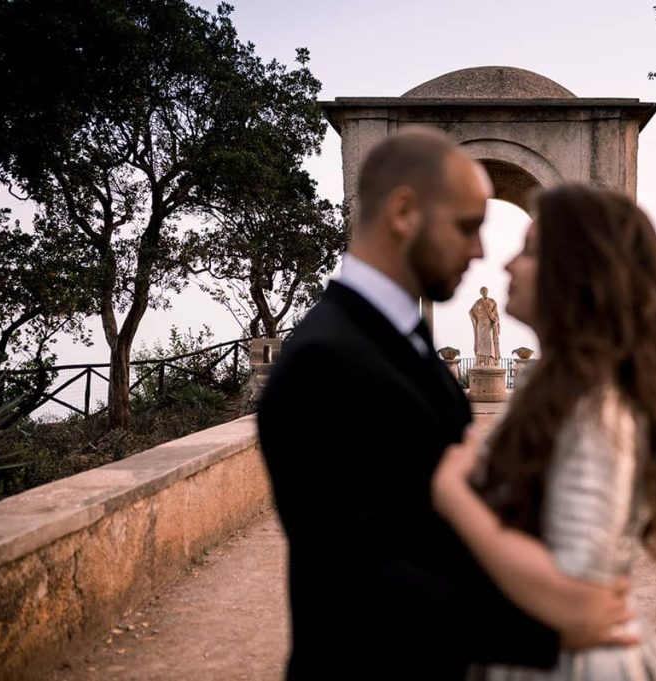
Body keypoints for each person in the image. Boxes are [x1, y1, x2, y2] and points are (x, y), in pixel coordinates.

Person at [257, 130, 635, 681]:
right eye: (466, 226)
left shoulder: (396, 336)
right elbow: (358, 581)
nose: (481, 251)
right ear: (405, 212)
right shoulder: (323, 360)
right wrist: (551, 627)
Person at [432, 184, 656, 680]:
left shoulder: (597, 406)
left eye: (528, 252)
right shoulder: (559, 389)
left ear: (576, 274)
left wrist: (453, 493)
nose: (506, 265)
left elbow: (579, 598)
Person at [470, 286, 501, 366]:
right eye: (482, 291)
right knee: (481, 342)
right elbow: (471, 312)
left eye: (485, 291)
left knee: (489, 341)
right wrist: (476, 318)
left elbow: (496, 314)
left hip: (489, 325)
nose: (484, 292)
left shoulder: (492, 301)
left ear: (487, 292)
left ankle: (490, 361)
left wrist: (495, 322)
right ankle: (481, 361)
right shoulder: (478, 302)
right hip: (480, 325)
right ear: (481, 293)